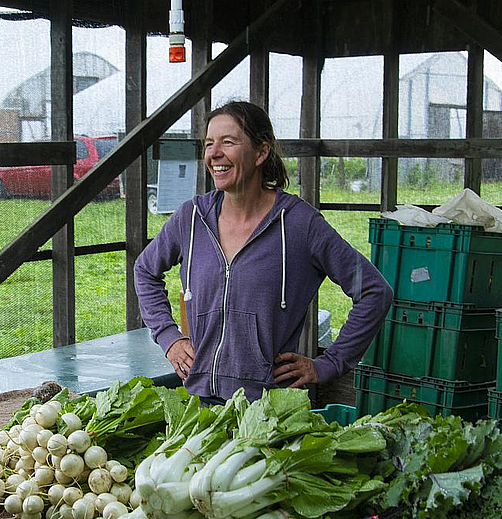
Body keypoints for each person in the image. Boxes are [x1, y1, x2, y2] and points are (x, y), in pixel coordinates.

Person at [133, 101, 393, 403]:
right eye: (208, 144)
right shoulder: (191, 218)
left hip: (268, 411)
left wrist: (331, 363)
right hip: (201, 403)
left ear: (261, 152)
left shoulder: (299, 224)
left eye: (228, 142)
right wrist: (169, 337)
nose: (214, 153)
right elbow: (145, 270)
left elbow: (375, 292)